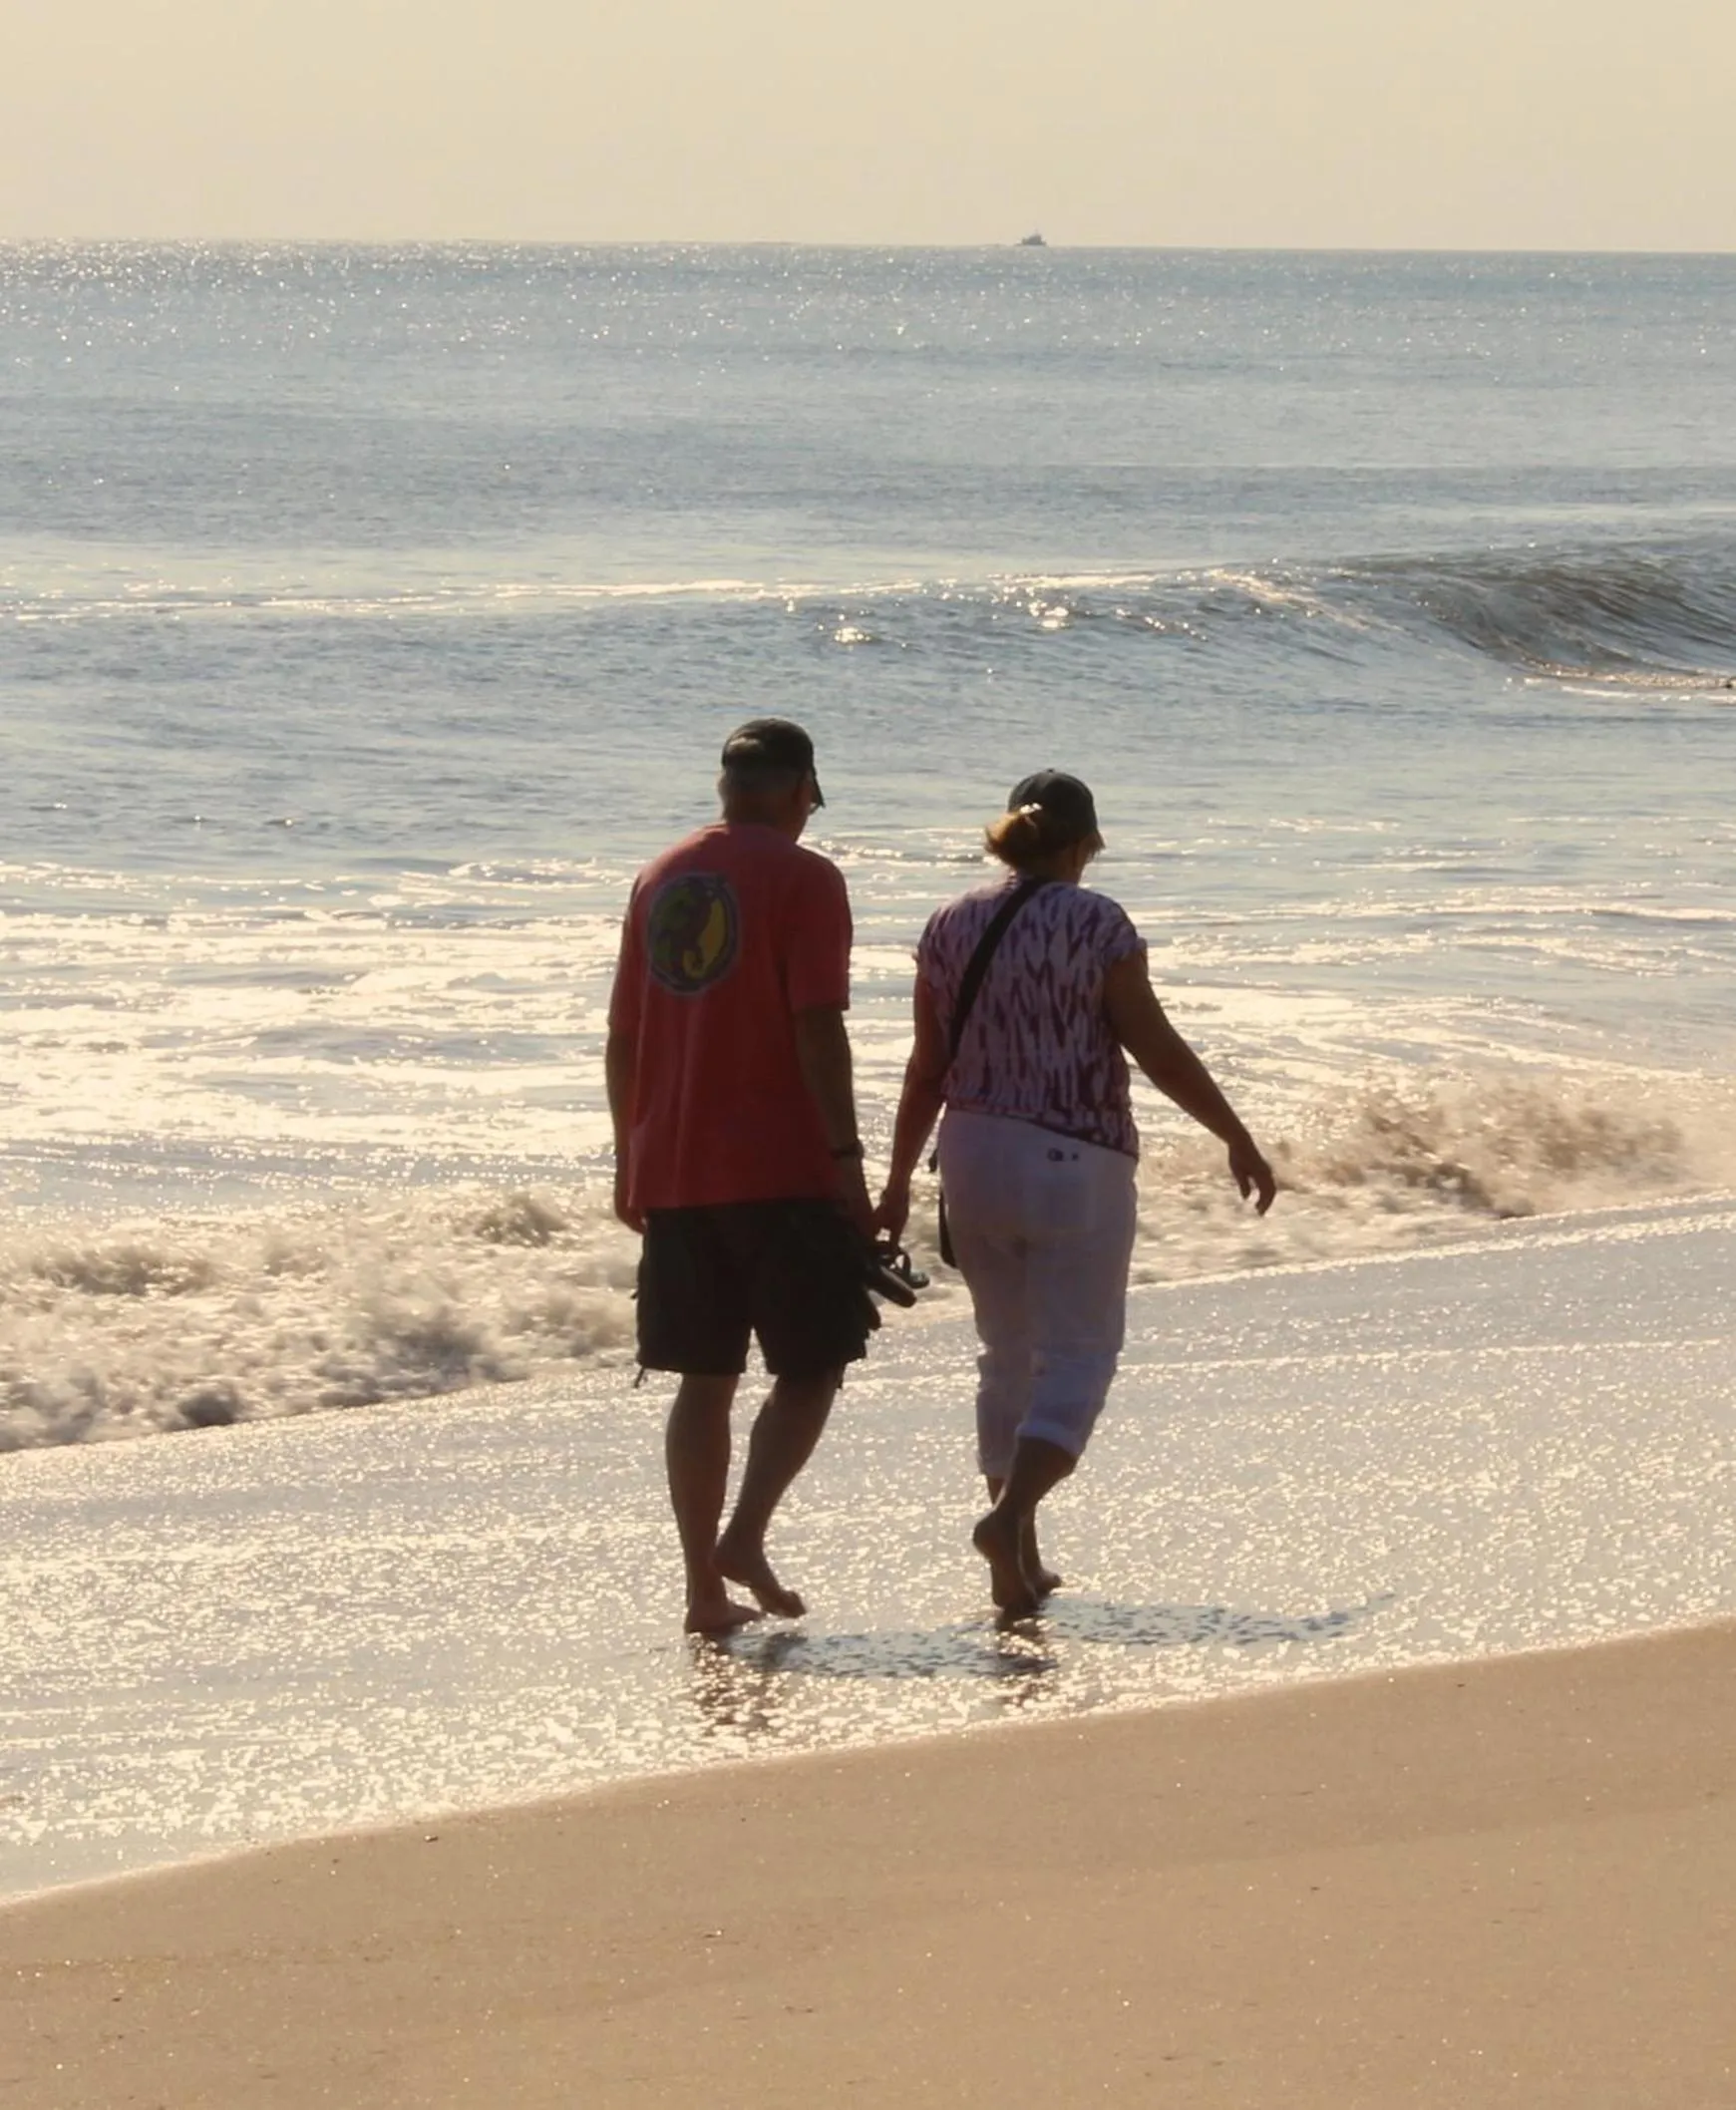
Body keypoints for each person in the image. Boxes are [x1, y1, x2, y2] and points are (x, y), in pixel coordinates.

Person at [874, 770, 1276, 1618]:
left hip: (972, 1154)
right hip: (1073, 1158)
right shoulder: (1097, 922)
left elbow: (926, 1068)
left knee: (1004, 1354)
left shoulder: (947, 923)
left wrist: (897, 1178)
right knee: (1080, 1356)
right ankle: (1009, 1516)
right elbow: (1153, 1048)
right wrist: (1233, 1134)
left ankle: (1013, 1565)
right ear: (1083, 843)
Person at [607, 718, 877, 1635]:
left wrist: (627, 1158)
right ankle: (746, 1534)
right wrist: (846, 1162)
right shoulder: (807, 879)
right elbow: (816, 1025)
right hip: (783, 1165)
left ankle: (700, 1592)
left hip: (675, 1165)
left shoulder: (658, 875)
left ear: (726, 788)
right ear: (804, 788)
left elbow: (624, 1040)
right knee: (813, 1363)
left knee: (703, 1377)